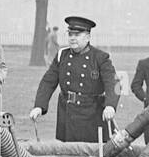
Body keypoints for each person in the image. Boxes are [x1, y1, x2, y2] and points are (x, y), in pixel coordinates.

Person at [29, 15, 119, 143]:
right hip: (68, 115)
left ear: (88, 37)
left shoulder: (100, 58)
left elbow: (114, 83)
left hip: (92, 116)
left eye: (77, 34)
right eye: (70, 34)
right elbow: (48, 82)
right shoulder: (62, 56)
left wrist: (110, 106)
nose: (72, 38)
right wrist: (39, 106)